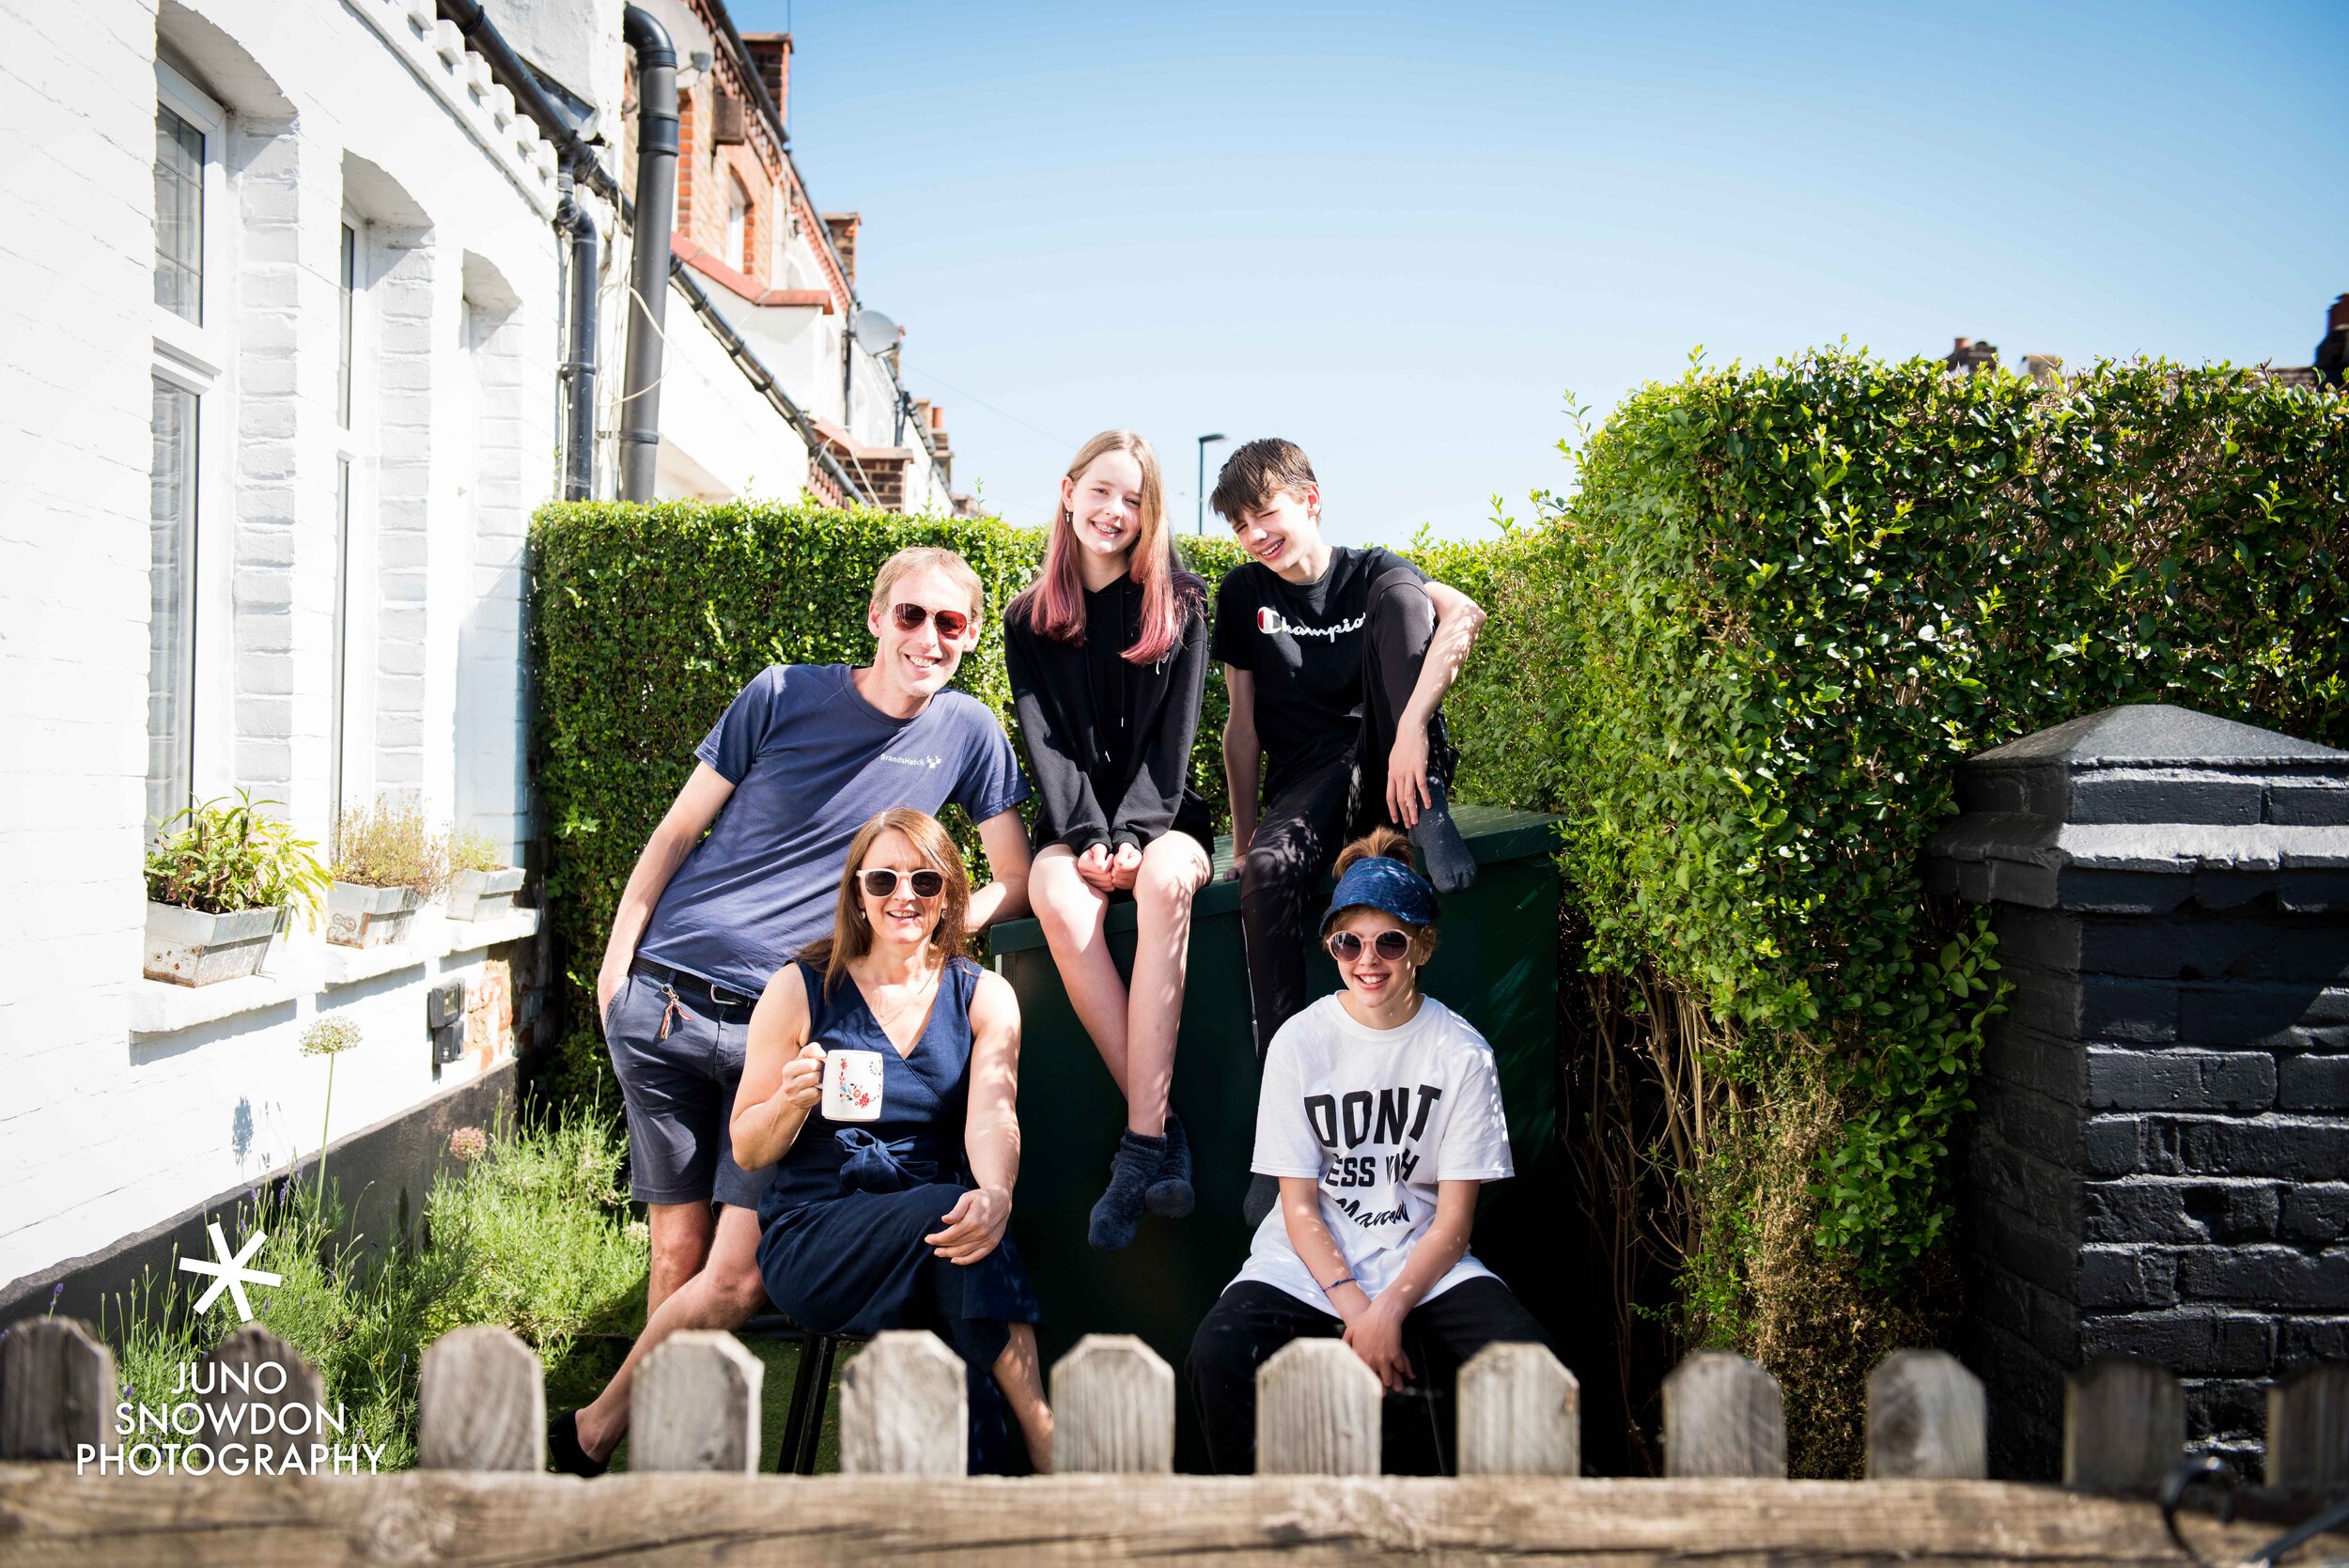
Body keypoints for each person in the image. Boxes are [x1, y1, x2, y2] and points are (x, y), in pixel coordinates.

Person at [549, 548, 1034, 1476]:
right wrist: (616, 967)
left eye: (951, 623)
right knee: (677, 1253)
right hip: (668, 1005)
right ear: (874, 617)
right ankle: (654, 1468)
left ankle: (594, 1431)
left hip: (792, 1026)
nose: (928, 638)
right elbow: (677, 832)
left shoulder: (968, 732)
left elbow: (1009, 875)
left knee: (733, 1275)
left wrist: (920, 940)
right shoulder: (779, 694)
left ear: (969, 637)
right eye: (911, 616)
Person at [1184, 829, 1550, 1473]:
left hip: (1421, 1258)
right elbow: (1297, 1208)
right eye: (1349, 941)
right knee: (1217, 1352)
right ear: (1331, 947)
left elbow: (1453, 1221)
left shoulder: (1462, 1054)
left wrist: (1393, 1306)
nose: (1367, 959)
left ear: (1422, 946)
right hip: (1309, 1262)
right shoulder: (1300, 1043)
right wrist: (1361, 1310)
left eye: (1389, 940)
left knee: (1529, 1365)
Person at [1210, 437, 1486, 1221]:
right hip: (1309, 780)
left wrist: (1413, 733)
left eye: (1265, 513)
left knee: (1409, 598)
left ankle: (1430, 813)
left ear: (1310, 499)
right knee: (1267, 872)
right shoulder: (1244, 595)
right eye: (1241, 524)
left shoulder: (1374, 571)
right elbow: (1240, 728)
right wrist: (1244, 839)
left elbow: (1462, 614)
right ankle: (1283, 1132)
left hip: (1392, 759)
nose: (1256, 534)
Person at [732, 808, 1050, 1473]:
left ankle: (968, 1512)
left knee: (960, 1231)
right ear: (858, 894)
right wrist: (789, 1103)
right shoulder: (801, 988)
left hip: (933, 1231)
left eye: (924, 881)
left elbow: (995, 1111)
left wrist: (998, 1191)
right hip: (818, 1232)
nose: (904, 895)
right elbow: (747, 1149)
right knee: (951, 1219)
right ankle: (1047, 1442)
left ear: (948, 896)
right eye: (883, 879)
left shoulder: (983, 995)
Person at [1004, 430, 1216, 1251]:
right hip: (1075, 822)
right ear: (1067, 492)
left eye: (1134, 499)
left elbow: (1176, 742)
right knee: (1054, 892)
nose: (1116, 511)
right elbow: (1044, 740)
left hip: (1165, 817)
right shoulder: (1029, 618)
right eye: (1102, 492)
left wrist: (1134, 834)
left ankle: (1138, 1150)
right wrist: (1090, 835)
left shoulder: (1184, 603)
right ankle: (1162, 1138)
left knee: (1164, 882)